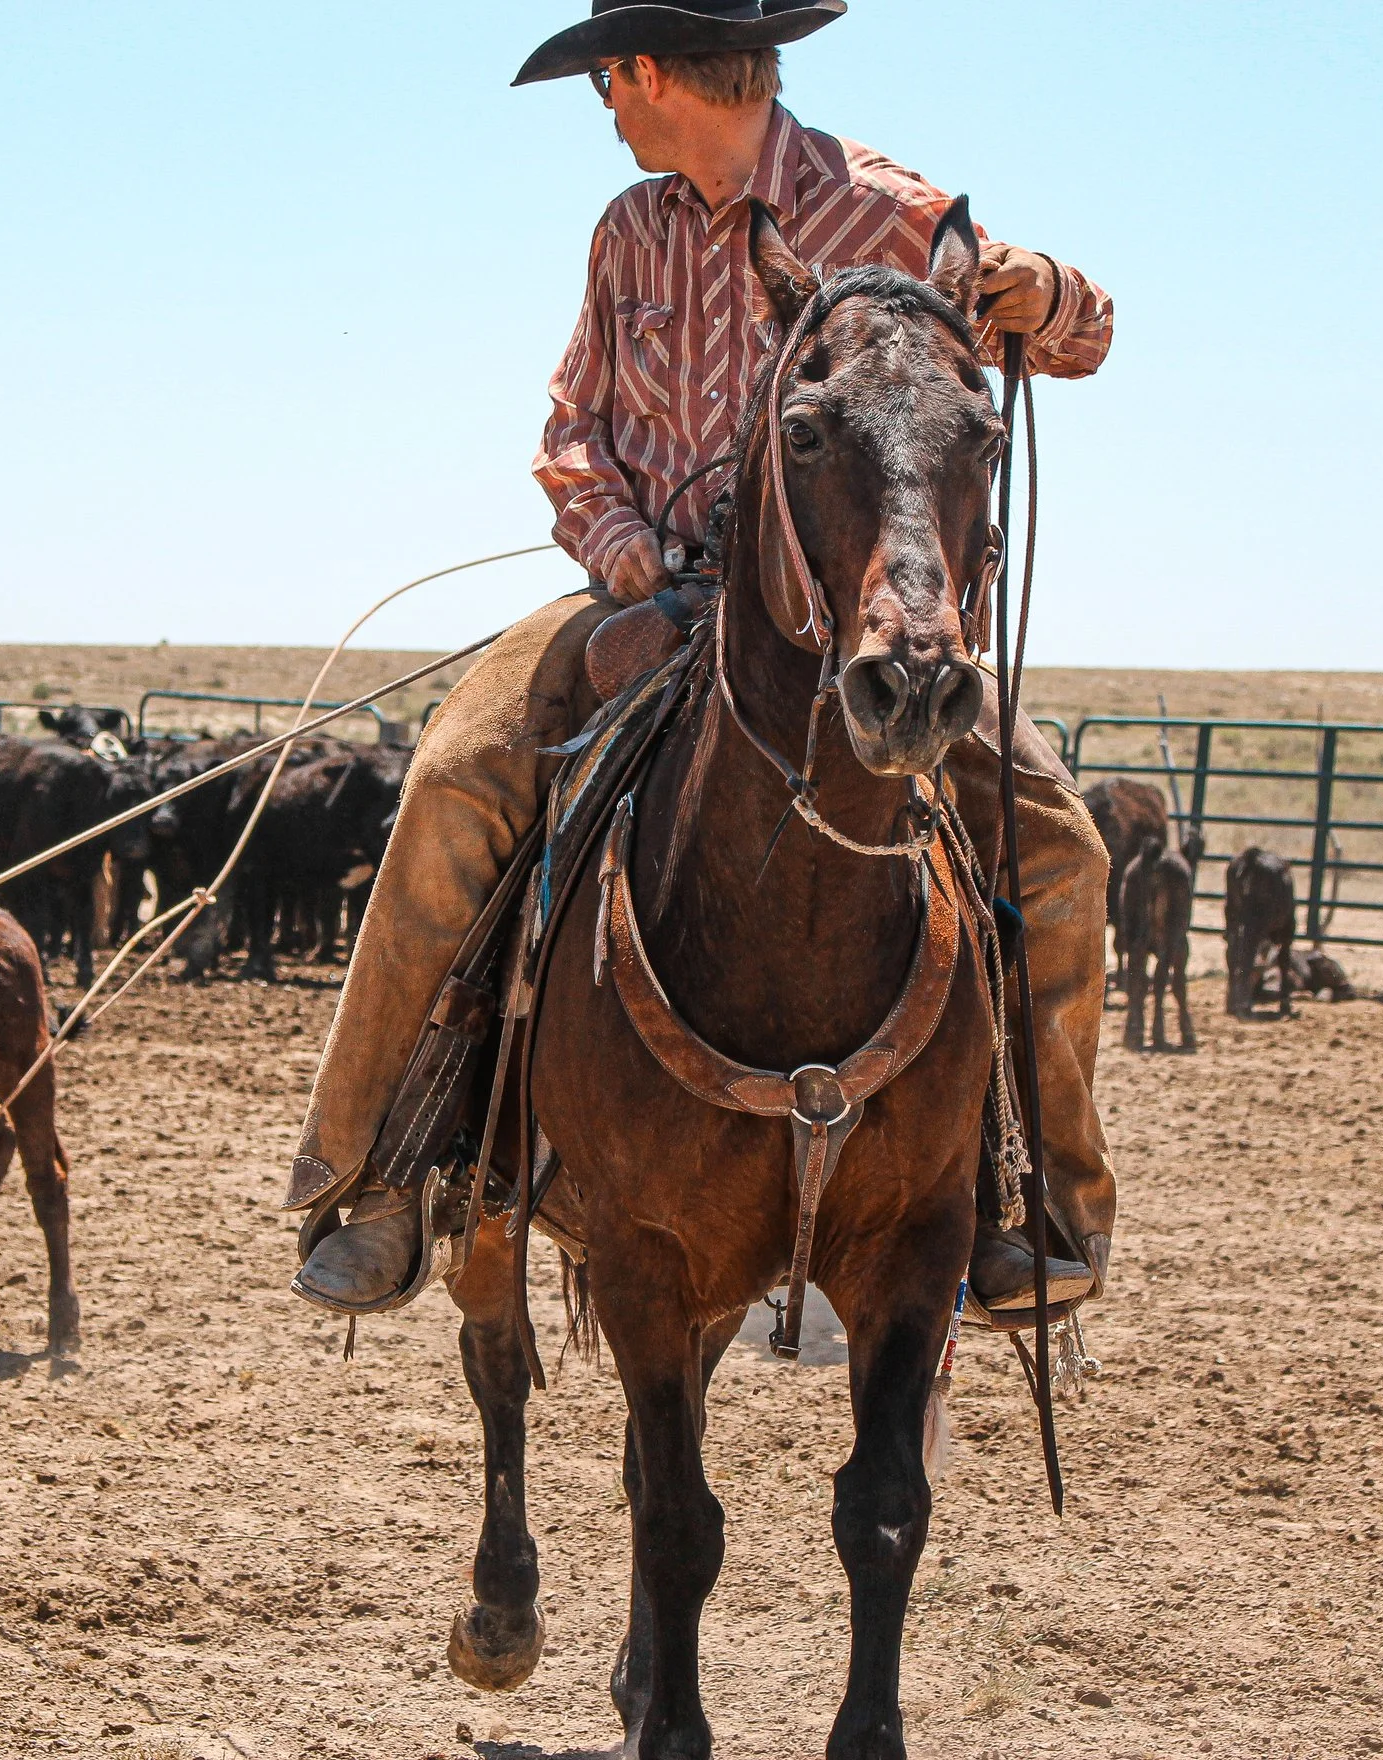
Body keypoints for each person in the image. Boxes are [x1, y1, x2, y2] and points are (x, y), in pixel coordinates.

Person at [288, 0, 1119, 1320]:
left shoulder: (892, 211)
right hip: (651, 597)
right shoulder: (628, 233)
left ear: (660, 70)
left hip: (860, 624)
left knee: (1059, 846)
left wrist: (1048, 293)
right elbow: (573, 432)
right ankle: (379, 1169)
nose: (604, 107)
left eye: (608, 79)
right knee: (455, 774)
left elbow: (1074, 340)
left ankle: (1045, 1201)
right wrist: (622, 555)